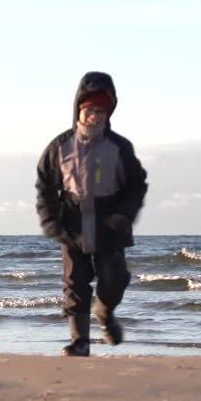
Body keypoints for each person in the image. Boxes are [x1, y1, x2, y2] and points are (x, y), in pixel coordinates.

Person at [36, 71, 149, 357]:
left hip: (110, 225)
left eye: (101, 110)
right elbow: (45, 184)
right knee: (75, 285)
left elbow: (137, 185)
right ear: (79, 110)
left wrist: (124, 215)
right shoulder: (60, 146)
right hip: (72, 224)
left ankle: (105, 313)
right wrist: (50, 220)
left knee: (114, 281)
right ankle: (80, 342)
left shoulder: (120, 147)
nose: (95, 116)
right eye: (90, 110)